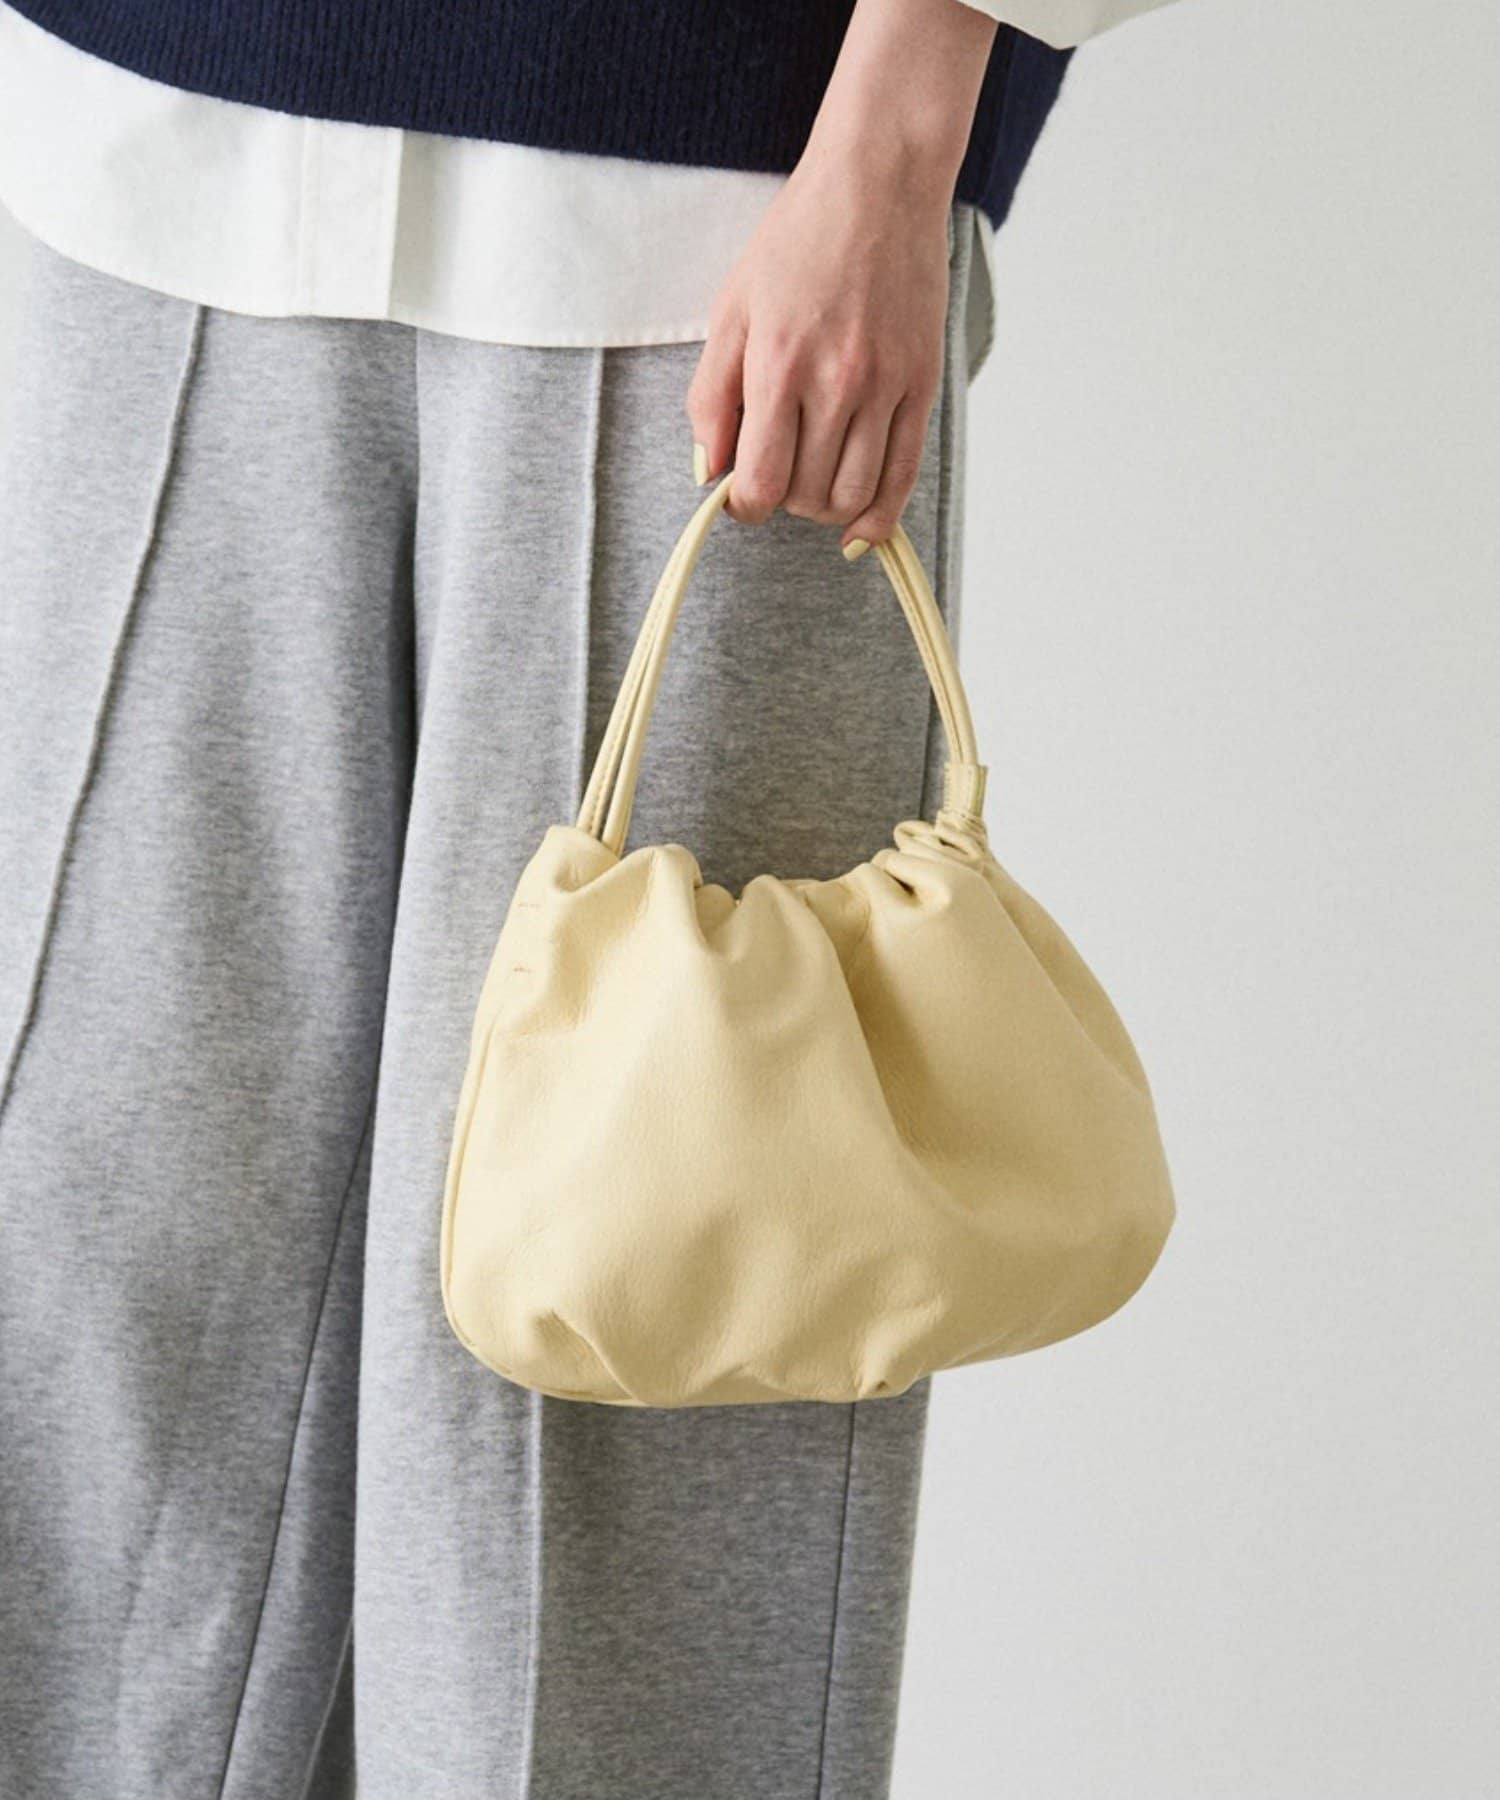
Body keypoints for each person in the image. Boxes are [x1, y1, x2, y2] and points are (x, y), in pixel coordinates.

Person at [0, 1, 1178, 1794]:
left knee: (654, 1299)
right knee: (99, 1318)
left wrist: (890, 148)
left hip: (719, 216)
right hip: (136, 153)